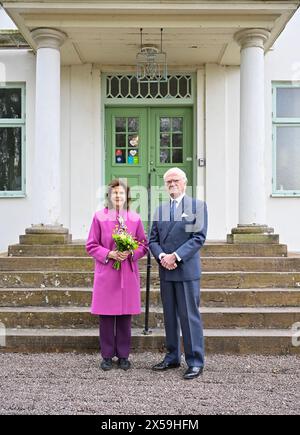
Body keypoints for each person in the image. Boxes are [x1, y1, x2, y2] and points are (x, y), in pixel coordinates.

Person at [149, 168, 208, 380]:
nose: (172, 184)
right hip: (166, 269)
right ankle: (172, 356)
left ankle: (195, 361)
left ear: (184, 182)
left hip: (186, 270)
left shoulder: (197, 206)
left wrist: (175, 256)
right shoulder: (160, 209)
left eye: (175, 180)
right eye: (168, 181)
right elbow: (152, 240)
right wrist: (163, 256)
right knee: (170, 317)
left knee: (189, 317)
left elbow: (198, 238)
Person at [86, 179, 148, 371]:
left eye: (121, 193)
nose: (118, 196)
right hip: (107, 273)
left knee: (124, 317)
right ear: (109, 196)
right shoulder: (98, 217)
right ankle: (106, 356)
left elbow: (143, 245)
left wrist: (130, 253)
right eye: (114, 193)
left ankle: (123, 355)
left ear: (126, 196)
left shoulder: (135, 218)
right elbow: (91, 245)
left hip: (127, 273)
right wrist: (109, 254)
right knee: (106, 317)